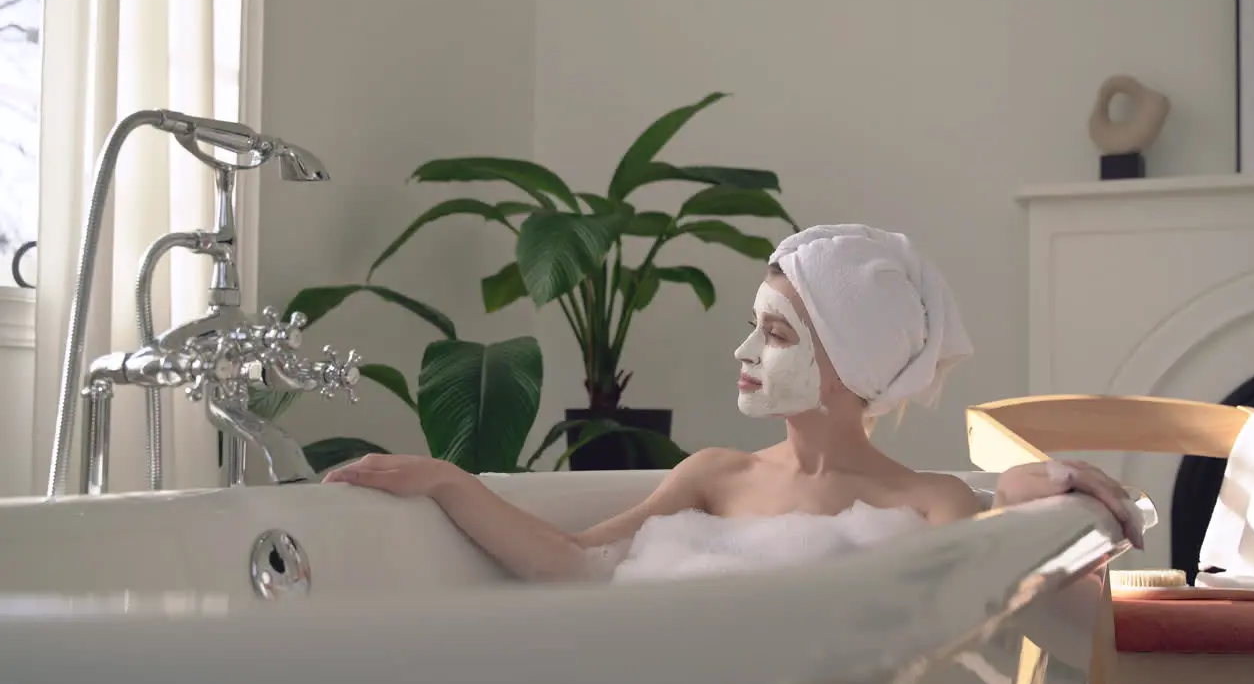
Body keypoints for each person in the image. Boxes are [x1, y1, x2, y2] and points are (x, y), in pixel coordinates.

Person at [323, 224, 1143, 583]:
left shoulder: (928, 503)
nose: (744, 353)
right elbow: (573, 565)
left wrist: (1023, 504)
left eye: (776, 334)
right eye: (752, 328)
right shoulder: (714, 475)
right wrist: (447, 482)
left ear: (843, 365)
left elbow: (994, 599)